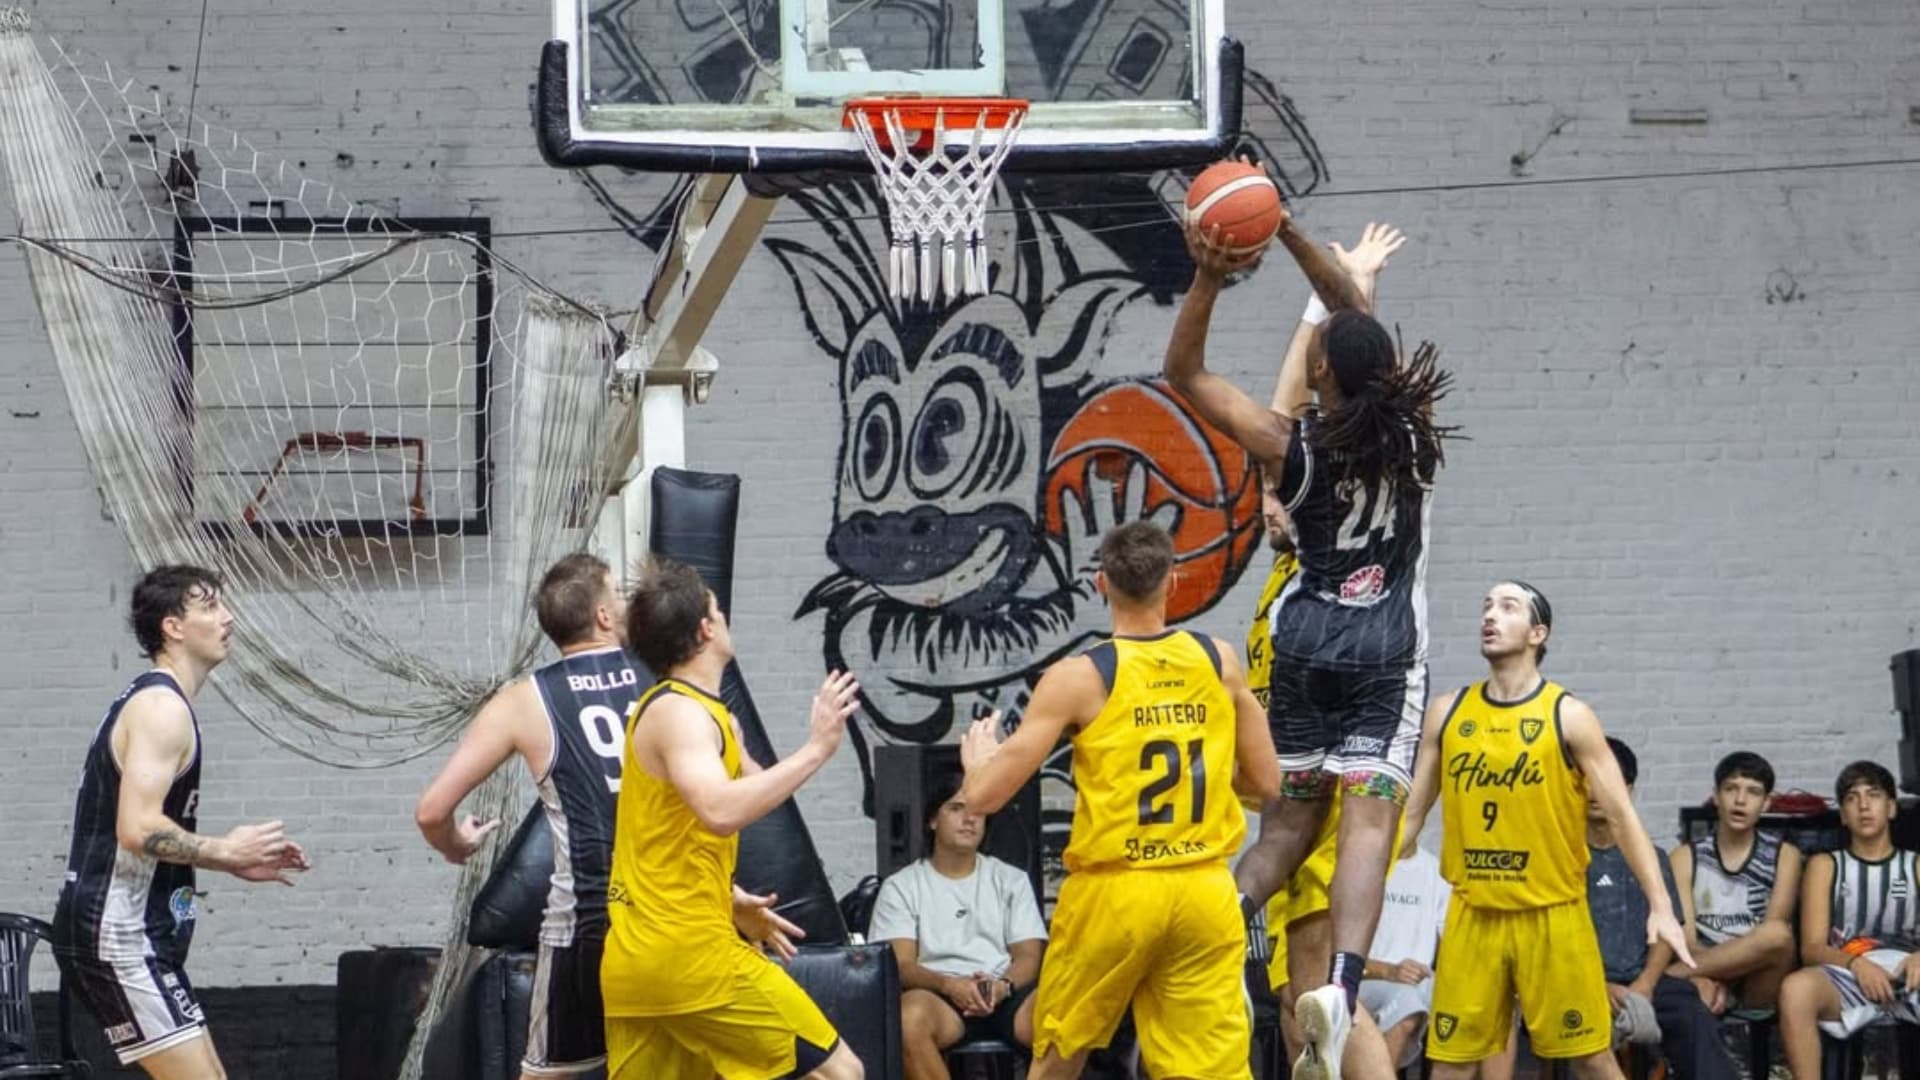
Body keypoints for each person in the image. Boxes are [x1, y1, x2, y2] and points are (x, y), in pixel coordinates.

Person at [1165, 203, 1454, 1077]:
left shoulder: (1291, 445)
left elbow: (1184, 372)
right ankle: (1342, 986)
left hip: (1302, 651)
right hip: (1383, 654)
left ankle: (1209, 929)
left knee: (1288, 829)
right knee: (1367, 829)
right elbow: (1352, 318)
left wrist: (1216, 271)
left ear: (1319, 368)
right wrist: (1291, 238)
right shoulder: (1413, 435)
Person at [956, 521, 1280, 1079]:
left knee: (1059, 1050)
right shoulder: (1218, 660)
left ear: (1102, 583)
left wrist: (977, 761)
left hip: (1117, 890)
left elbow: (982, 798)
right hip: (1203, 886)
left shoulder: (1078, 678)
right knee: (1210, 1070)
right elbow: (1267, 783)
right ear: (1172, 582)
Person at [1400, 581, 1692, 1080]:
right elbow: (1409, 820)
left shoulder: (1569, 716)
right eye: (1486, 606)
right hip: (1474, 915)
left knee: (1591, 1058)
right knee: (1449, 1062)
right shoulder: (1447, 714)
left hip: (1553, 914)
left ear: (1538, 632)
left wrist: (1662, 906)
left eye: (1507, 607)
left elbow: (1621, 816)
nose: (1490, 615)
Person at [599, 557, 864, 1079]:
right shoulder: (681, 714)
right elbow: (718, 810)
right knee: (841, 1074)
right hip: (695, 962)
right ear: (705, 627)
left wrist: (728, 897)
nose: (724, 618)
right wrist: (817, 748)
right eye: (719, 610)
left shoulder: (693, 714)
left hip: (641, 964)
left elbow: (683, 828)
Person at [52, 566, 309, 1080]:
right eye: (210, 606)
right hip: (118, 935)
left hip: (136, 934)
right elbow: (137, 828)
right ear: (173, 627)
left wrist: (231, 863)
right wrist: (226, 852)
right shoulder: (161, 709)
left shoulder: (162, 704)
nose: (228, 617)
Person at [414, 553, 644, 1079]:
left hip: (586, 920)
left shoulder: (524, 700)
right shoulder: (662, 678)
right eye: (620, 595)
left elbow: (432, 811)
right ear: (604, 617)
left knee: (549, 1075)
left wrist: (455, 844)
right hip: (667, 911)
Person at [870, 773, 1048, 1079]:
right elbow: (901, 964)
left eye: (979, 812)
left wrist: (1001, 987)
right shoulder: (902, 886)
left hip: (1004, 991)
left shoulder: (1010, 879)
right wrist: (949, 985)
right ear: (933, 821)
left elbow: (1029, 957)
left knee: (1067, 1016)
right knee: (907, 1020)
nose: (970, 819)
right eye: (956, 808)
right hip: (938, 994)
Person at [1587, 738, 1739, 1080]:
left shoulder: (1650, 857)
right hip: (1580, 983)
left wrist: (1646, 983)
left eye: (1607, 781)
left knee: (1691, 1015)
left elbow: (1665, 931)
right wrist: (1596, 985)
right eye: (1586, 779)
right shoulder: (1559, 859)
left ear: (1627, 790)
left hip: (1644, 977)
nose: (1595, 791)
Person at [1778, 761, 1920, 1079]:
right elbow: (1812, 948)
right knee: (1795, 990)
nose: (1864, 805)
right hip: (1847, 974)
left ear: (1892, 808)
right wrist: (1857, 964)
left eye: (1874, 795)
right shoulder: (1824, 864)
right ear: (1843, 814)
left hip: (1909, 973)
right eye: (1852, 798)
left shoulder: (1916, 865)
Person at [1668, 751, 1801, 1012]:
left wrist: (1728, 967)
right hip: (1701, 971)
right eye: (1731, 789)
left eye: (1753, 792)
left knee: (1777, 934)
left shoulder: (1785, 855)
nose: (1740, 800)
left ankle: (1665, 979)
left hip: (1759, 977)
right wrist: (1711, 975)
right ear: (1716, 796)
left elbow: (1774, 937)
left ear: (1766, 803)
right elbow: (1687, 942)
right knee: (1697, 993)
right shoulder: (1685, 857)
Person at [1355, 840, 1451, 1070]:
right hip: (1365, 978)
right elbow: (1337, 950)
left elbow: (1450, 943)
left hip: (1421, 983)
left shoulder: (1436, 872)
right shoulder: (1362, 866)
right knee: (1408, 1006)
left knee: (1464, 1005)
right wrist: (1389, 971)